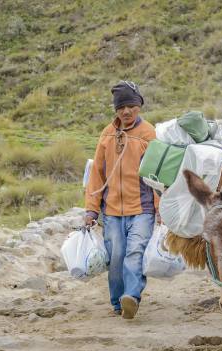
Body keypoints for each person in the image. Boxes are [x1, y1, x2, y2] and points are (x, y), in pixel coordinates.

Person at [85, 81, 158, 319]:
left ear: (139, 105)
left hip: (142, 208)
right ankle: (118, 302)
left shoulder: (148, 133)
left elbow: (156, 174)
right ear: (116, 109)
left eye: (131, 106)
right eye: (121, 107)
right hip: (113, 210)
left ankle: (132, 297)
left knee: (135, 252)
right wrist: (91, 210)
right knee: (116, 257)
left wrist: (160, 208)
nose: (126, 111)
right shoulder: (107, 135)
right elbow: (96, 174)